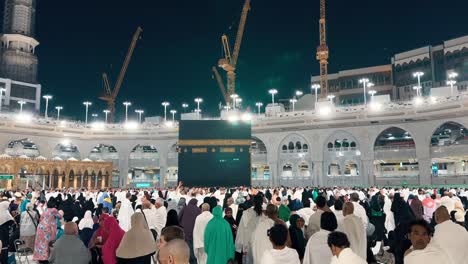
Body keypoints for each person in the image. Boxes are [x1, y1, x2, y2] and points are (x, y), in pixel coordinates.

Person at [33, 198, 61, 263]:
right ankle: (46, 259)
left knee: (40, 243)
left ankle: (40, 258)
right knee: (47, 243)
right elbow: (60, 216)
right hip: (48, 228)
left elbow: (41, 218)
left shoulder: (46, 209)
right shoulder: (54, 210)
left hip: (41, 227)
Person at [178, 198, 200, 263]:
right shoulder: (198, 210)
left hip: (184, 230)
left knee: (185, 246)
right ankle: (193, 260)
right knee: (192, 247)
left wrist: (180, 224)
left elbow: (179, 217)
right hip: (193, 231)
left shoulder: (185, 208)